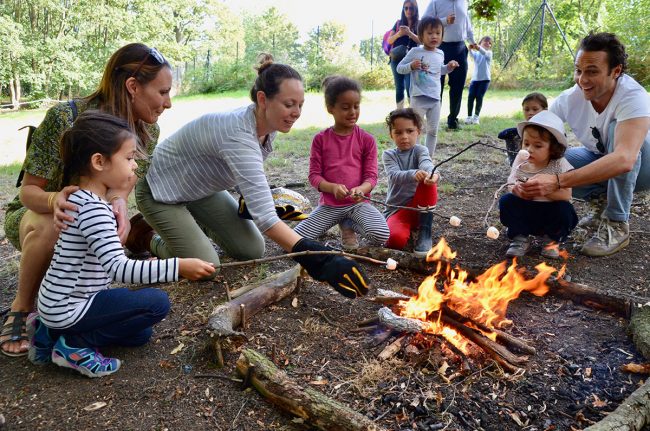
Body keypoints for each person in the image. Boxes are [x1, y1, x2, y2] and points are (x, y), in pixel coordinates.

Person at [138, 55, 370, 299]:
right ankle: (146, 236)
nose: (296, 113)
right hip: (160, 190)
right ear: (263, 99)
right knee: (207, 267)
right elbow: (267, 220)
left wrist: (260, 198)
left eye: (300, 105)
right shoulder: (238, 134)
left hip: (200, 190)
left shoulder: (267, 128)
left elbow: (246, 178)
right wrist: (319, 259)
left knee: (252, 249)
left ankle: (190, 227)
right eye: (289, 104)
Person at [1, 43, 173, 357]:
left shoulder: (149, 130)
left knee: (140, 332)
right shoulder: (65, 117)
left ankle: (68, 329)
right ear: (133, 86)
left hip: (86, 222)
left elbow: (123, 184)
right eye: (162, 92)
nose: (169, 103)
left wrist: (119, 203)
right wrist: (56, 200)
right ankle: (23, 307)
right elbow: (28, 193)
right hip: (38, 216)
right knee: (62, 218)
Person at [26, 112, 214, 378]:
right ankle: (74, 345)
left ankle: (48, 331)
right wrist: (178, 266)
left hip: (55, 303)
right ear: (99, 162)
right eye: (128, 158)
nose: (134, 166)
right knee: (157, 304)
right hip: (71, 306)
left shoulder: (79, 199)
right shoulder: (94, 210)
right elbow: (119, 269)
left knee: (140, 333)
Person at [521, 32, 650, 257]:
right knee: (558, 159)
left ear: (616, 71)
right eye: (578, 70)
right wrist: (524, 151)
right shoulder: (570, 98)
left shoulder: (633, 97)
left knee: (616, 135)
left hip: (643, 167)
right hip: (605, 160)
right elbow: (539, 133)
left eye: (592, 72)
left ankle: (617, 222)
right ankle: (601, 203)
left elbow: (624, 158)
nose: (582, 80)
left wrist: (557, 181)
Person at [293, 76, 390, 250]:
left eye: (356, 106)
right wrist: (332, 188)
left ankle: (348, 224)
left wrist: (361, 190)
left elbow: (371, 177)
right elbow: (314, 176)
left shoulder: (367, 140)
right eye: (345, 108)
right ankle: (330, 222)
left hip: (358, 205)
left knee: (381, 234)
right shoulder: (320, 140)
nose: (352, 112)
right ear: (331, 108)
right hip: (330, 206)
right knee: (293, 240)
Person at [499, 111, 578, 259]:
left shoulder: (559, 164)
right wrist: (516, 189)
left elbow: (566, 194)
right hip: (526, 209)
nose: (529, 149)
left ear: (553, 148)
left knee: (565, 209)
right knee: (507, 201)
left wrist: (541, 191)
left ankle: (552, 241)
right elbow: (511, 181)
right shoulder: (522, 159)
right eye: (526, 143)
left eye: (538, 146)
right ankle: (520, 237)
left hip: (550, 211)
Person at [397, 16, 459, 156]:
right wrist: (411, 66)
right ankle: (414, 156)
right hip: (419, 97)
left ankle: (427, 159)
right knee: (416, 129)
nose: (434, 36)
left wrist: (449, 67)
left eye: (438, 33)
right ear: (420, 35)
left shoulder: (440, 53)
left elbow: (440, 71)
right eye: (430, 33)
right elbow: (400, 68)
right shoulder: (415, 52)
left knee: (433, 130)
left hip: (435, 99)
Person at [383, 108, 440, 257]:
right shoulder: (389, 155)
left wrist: (433, 174)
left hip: (421, 208)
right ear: (391, 134)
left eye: (410, 131)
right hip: (398, 209)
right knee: (394, 241)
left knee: (428, 180)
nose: (404, 137)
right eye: (398, 132)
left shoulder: (421, 150)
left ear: (418, 132)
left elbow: (427, 163)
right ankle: (408, 230)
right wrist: (413, 173)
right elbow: (394, 175)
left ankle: (425, 231)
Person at [423, 0, 477, 130]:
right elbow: (424, 22)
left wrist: (473, 41)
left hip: (460, 47)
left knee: (458, 86)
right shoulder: (435, 2)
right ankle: (433, 121)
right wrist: (444, 21)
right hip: (440, 47)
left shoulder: (464, 2)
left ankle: (453, 120)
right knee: (436, 85)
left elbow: (467, 24)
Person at [387, 0, 421, 109]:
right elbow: (390, 40)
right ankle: (399, 111)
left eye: (411, 8)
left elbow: (421, 41)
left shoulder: (419, 24)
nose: (408, 10)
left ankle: (413, 112)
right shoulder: (398, 23)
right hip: (396, 59)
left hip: (411, 60)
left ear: (415, 9)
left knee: (409, 86)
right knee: (399, 87)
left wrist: (409, 33)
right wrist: (399, 34)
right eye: (406, 8)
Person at [498, 92, 548, 165]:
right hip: (521, 164)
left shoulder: (551, 130)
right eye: (527, 110)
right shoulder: (521, 129)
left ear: (545, 110)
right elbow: (501, 135)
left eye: (535, 109)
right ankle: (513, 160)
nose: (530, 112)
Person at [465, 36, 493, 125]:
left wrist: (477, 47)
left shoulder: (489, 53)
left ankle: (476, 117)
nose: (487, 43)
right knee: (471, 97)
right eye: (485, 41)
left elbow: (483, 52)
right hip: (475, 80)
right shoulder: (477, 54)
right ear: (480, 43)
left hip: (485, 80)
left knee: (479, 96)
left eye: (489, 43)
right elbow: (471, 53)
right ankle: (469, 117)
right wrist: (470, 48)